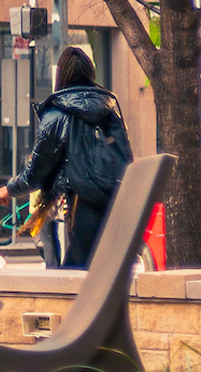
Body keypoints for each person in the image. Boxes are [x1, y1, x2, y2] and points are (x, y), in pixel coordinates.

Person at [18, 47, 134, 270]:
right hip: (117, 204)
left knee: (79, 276)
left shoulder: (58, 115)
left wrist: (11, 188)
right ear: (91, 74)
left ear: (61, 76)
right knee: (85, 272)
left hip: (84, 206)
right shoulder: (110, 112)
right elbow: (125, 155)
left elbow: (38, 170)